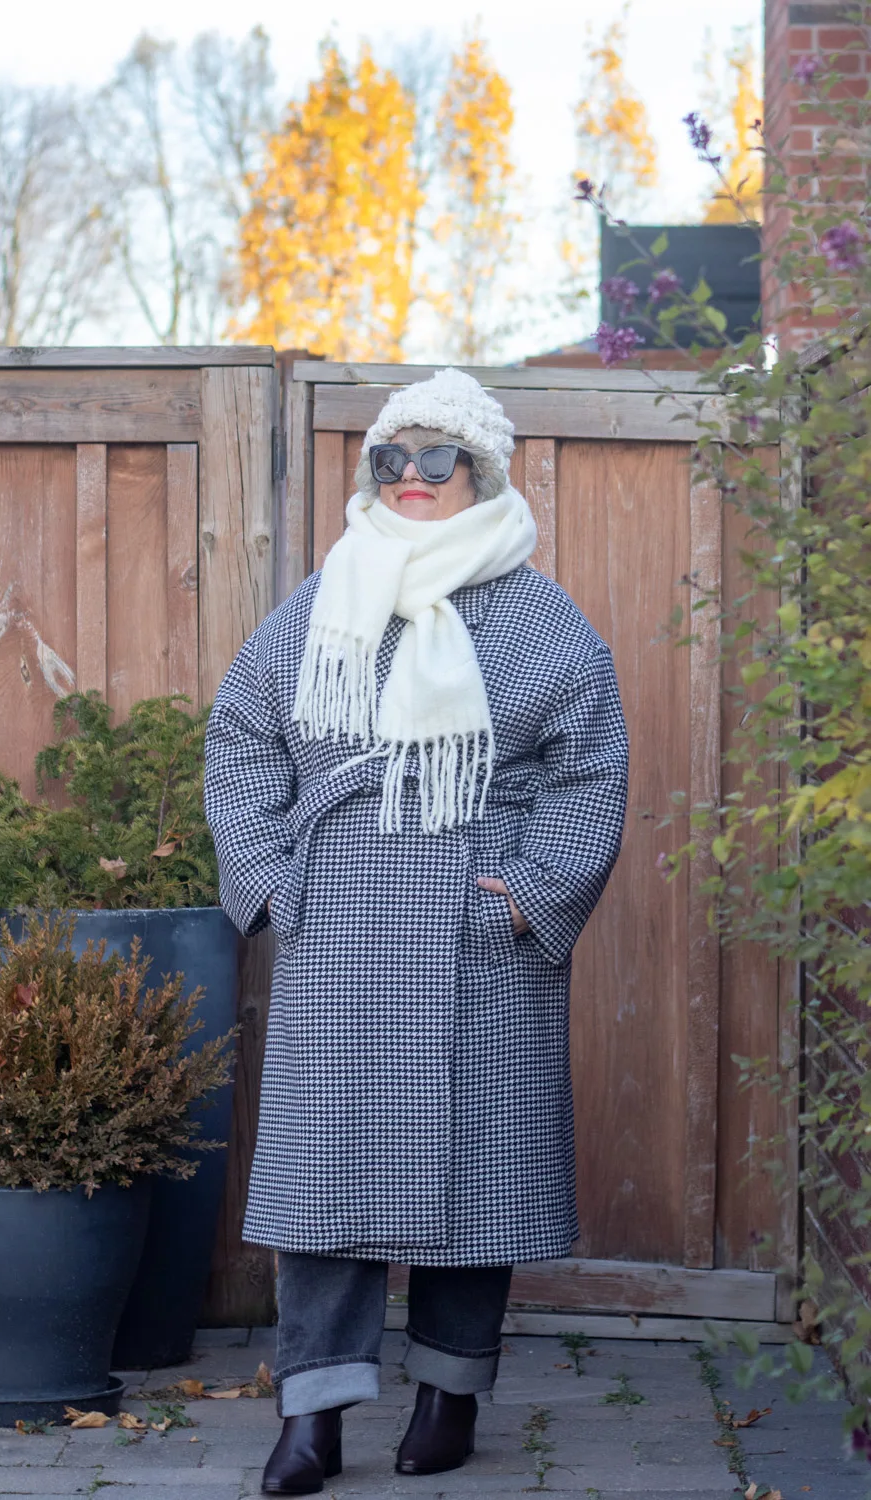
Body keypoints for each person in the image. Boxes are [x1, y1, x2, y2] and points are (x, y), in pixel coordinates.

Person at [204, 367, 629, 1496]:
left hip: (472, 929)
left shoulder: (543, 620)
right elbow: (241, 739)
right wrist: (274, 884)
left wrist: (531, 894)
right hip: (339, 922)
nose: (409, 479)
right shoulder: (321, 602)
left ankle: (449, 1394)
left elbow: (587, 774)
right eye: (390, 460)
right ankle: (312, 1414)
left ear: (477, 473)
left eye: (433, 460)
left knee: (469, 1186)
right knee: (324, 1185)